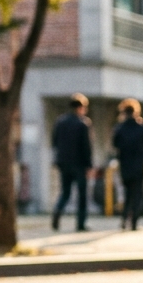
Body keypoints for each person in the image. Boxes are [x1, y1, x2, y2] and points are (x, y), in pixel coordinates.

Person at [50, 93, 94, 232]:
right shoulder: (83, 123)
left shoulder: (60, 122)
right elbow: (86, 147)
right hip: (79, 164)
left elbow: (54, 141)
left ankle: (58, 210)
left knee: (65, 192)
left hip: (63, 163)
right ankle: (80, 224)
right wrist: (89, 165)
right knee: (82, 195)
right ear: (80, 107)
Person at [112, 98, 143, 231]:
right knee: (137, 195)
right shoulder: (142, 127)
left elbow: (115, 144)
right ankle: (134, 222)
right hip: (138, 165)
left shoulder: (120, 127)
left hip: (124, 165)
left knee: (127, 193)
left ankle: (124, 219)